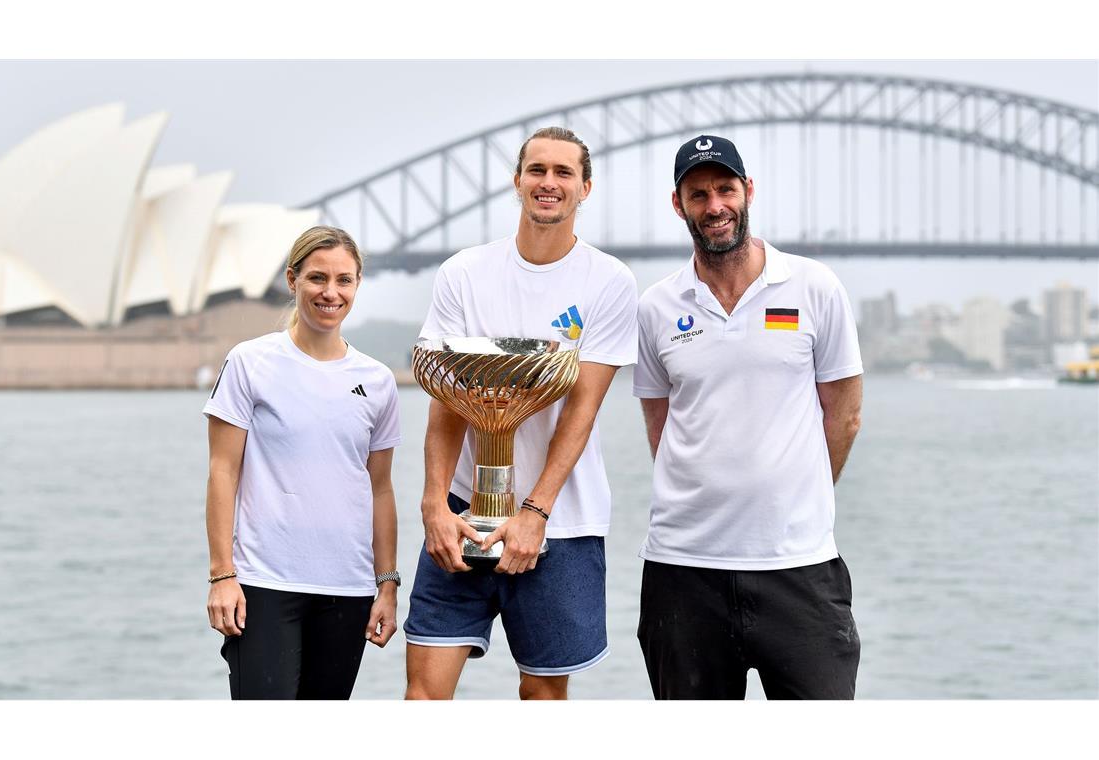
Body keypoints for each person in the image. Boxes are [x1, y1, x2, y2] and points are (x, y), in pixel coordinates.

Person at [403, 127, 638, 700]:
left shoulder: (609, 281)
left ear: (585, 188)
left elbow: (581, 410)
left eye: (563, 173)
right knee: (424, 693)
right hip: (463, 510)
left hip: (561, 519)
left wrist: (535, 512)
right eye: (537, 170)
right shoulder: (464, 273)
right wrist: (434, 503)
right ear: (517, 181)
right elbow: (447, 400)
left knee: (541, 696)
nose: (548, 183)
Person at [633, 135, 864, 700]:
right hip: (682, 570)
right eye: (698, 194)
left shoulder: (814, 287)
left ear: (748, 191)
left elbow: (845, 415)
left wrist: (792, 493)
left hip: (799, 567)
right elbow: (661, 425)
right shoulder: (656, 307)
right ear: (678, 204)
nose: (715, 206)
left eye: (725, 189)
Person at [203, 225, 402, 699]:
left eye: (344, 280)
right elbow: (222, 472)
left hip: (348, 589)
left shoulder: (377, 381)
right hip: (264, 583)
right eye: (317, 278)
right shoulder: (250, 362)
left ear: (357, 285)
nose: (331, 293)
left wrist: (388, 586)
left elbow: (379, 488)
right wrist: (222, 575)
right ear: (292, 280)